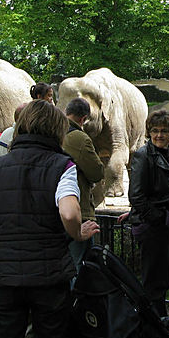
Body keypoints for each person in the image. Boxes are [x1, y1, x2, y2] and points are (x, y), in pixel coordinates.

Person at [0, 99, 99, 338]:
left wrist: (9, 232)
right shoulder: (61, 165)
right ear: (57, 129)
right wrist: (77, 232)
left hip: (4, 277)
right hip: (49, 278)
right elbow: (68, 212)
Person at [126, 108, 169, 317]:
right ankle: (154, 325)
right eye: (154, 130)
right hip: (154, 227)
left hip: (168, 226)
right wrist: (157, 218)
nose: (159, 135)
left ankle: (158, 322)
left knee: (164, 277)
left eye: (163, 131)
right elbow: (136, 195)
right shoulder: (144, 156)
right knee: (153, 280)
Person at [63, 97, 104, 270]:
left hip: (55, 210)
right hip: (78, 210)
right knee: (79, 265)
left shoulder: (54, 133)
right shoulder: (79, 138)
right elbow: (97, 173)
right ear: (83, 118)